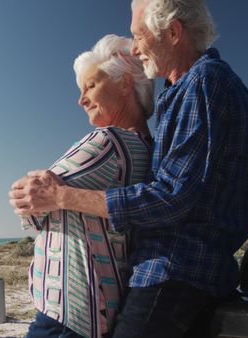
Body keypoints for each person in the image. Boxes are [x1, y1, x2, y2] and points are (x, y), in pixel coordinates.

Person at [9, 0, 248, 337]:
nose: (134, 48)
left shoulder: (203, 82)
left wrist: (60, 195)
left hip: (174, 268)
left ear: (174, 32)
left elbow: (171, 197)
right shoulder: (182, 94)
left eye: (138, 36)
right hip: (182, 270)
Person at [21, 34, 154, 338]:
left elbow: (29, 205)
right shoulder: (148, 148)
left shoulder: (107, 141)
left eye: (91, 86)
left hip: (68, 311)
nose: (81, 99)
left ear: (125, 83)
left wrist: (31, 195)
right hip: (106, 307)